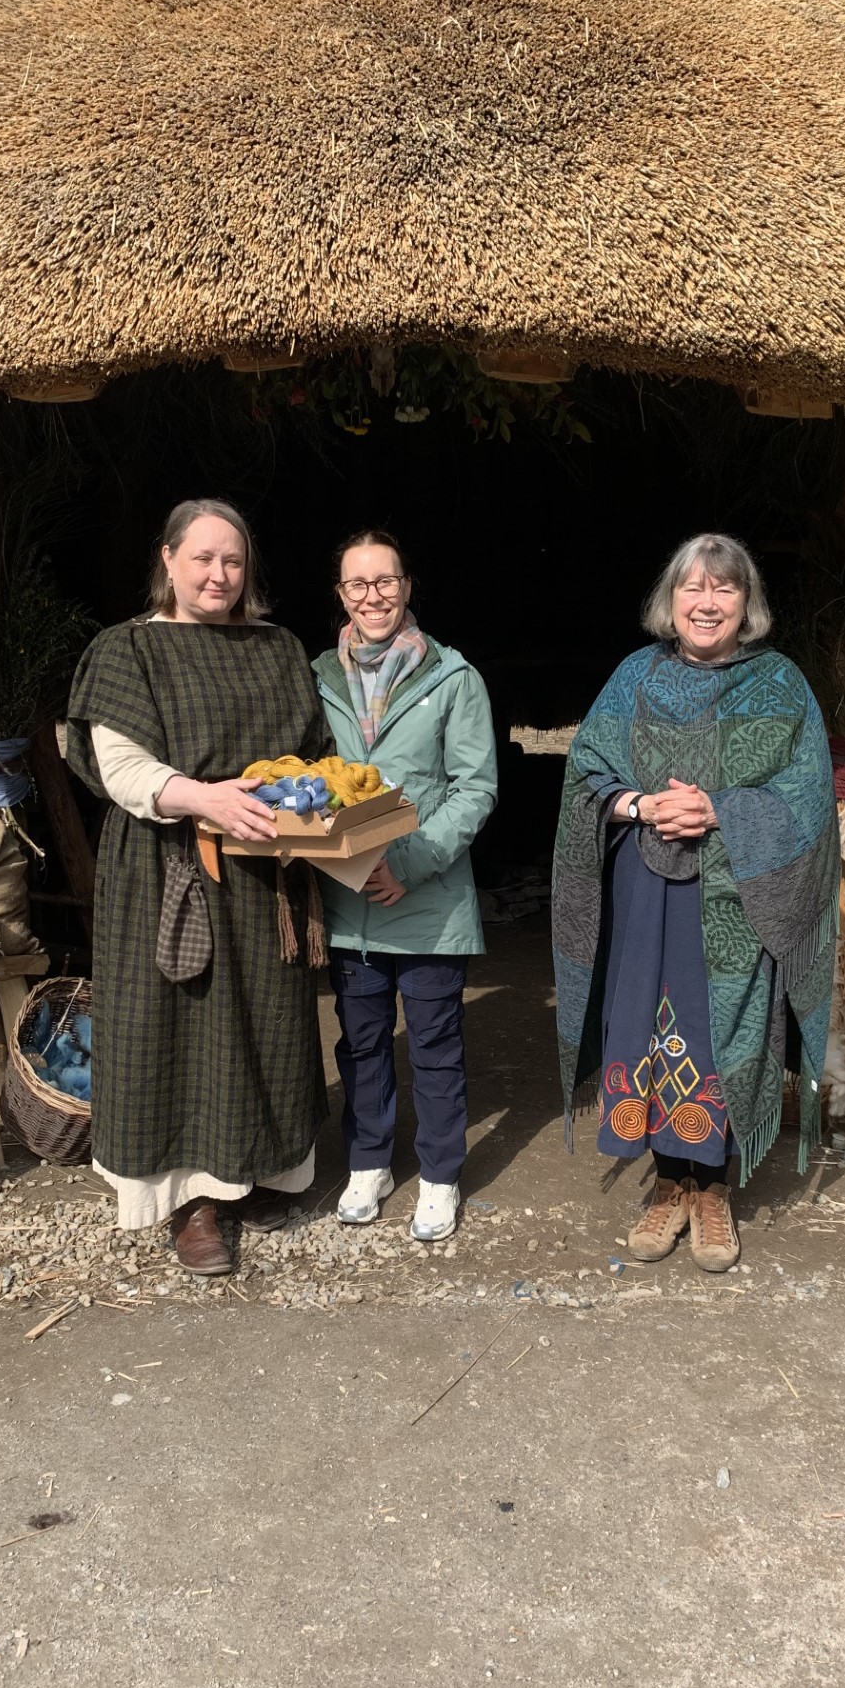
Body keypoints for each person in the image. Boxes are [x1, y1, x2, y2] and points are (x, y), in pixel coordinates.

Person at [551, 533, 837, 1271]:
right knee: (645, 1022)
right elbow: (584, 776)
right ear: (669, 602)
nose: (707, 603)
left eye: (725, 590)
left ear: (748, 606)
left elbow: (807, 801)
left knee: (717, 1027)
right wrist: (644, 805)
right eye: (693, 589)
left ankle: (712, 1190)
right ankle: (668, 1185)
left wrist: (719, 811)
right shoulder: (632, 679)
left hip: (736, 892)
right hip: (647, 891)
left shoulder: (780, 687)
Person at [65, 499, 330, 1277]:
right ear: (169, 560)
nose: (219, 575)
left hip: (265, 867)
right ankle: (192, 1201)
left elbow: (311, 752)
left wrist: (299, 801)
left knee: (269, 1021)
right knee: (178, 1026)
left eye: (234, 561)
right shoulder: (126, 650)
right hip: (165, 862)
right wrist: (207, 796)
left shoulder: (277, 647)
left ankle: (265, 1169)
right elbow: (122, 768)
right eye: (204, 559)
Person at [312, 529, 497, 1241]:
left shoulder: (454, 679)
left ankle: (442, 1173)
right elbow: (306, 780)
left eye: (385, 581)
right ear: (341, 595)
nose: (373, 596)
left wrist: (410, 861)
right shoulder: (318, 679)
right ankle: (368, 1162)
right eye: (357, 584)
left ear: (407, 587)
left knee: (434, 1043)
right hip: (349, 899)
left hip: (429, 901)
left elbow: (475, 789)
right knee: (359, 1041)